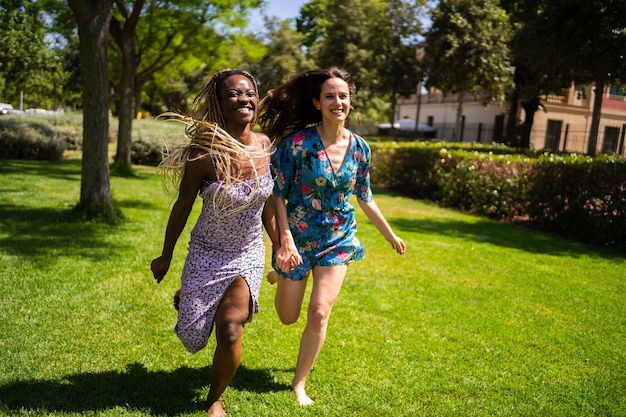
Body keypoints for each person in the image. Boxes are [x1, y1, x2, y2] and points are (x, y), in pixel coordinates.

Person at [258, 67, 406, 406]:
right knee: (287, 316)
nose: (337, 101)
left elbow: (364, 196)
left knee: (319, 312)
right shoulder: (297, 145)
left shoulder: (360, 149)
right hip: (296, 237)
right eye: (329, 96)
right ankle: (281, 275)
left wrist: (390, 235)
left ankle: (299, 384)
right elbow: (277, 193)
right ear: (317, 102)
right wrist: (284, 240)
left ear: (350, 103)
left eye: (343, 96)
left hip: (338, 239)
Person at [150, 68, 277, 417]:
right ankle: (189, 296)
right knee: (192, 337)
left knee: (231, 328)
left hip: (247, 251)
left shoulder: (265, 146)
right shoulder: (204, 154)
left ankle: (214, 399)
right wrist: (165, 256)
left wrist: (281, 244)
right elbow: (182, 207)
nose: (243, 99)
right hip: (207, 252)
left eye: (248, 92)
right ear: (220, 103)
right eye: (233, 94)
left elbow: (265, 202)